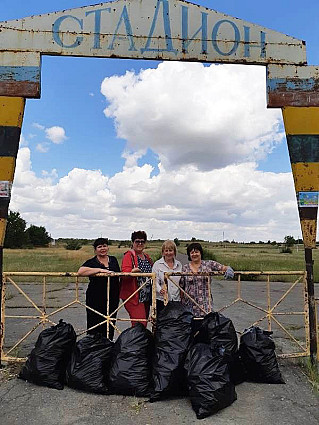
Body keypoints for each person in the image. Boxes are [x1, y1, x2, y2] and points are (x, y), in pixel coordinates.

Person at [180, 242, 234, 331]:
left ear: (201, 253)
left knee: (207, 329)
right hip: (190, 305)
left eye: (196, 252)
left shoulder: (209, 264)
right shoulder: (185, 268)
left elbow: (223, 267)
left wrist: (228, 269)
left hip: (205, 305)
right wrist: (181, 305)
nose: (194, 254)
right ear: (189, 255)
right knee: (192, 330)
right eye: (192, 252)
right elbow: (181, 286)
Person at [78, 237, 120, 340]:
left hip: (112, 296)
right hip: (95, 297)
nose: (102, 248)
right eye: (99, 247)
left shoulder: (113, 259)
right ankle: (93, 346)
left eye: (104, 246)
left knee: (110, 321)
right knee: (94, 321)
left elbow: (118, 273)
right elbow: (81, 272)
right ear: (95, 250)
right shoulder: (92, 262)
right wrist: (101, 270)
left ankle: (108, 343)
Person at [120, 231, 153, 327]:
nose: (140, 244)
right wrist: (131, 272)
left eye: (142, 242)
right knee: (139, 324)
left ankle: (141, 341)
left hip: (146, 296)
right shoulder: (129, 255)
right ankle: (136, 341)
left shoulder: (147, 257)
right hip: (134, 296)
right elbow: (124, 273)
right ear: (132, 242)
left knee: (144, 323)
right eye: (137, 241)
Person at [152, 240, 182, 314]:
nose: (168, 253)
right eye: (166, 250)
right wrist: (159, 290)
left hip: (176, 300)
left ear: (174, 252)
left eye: (171, 250)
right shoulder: (157, 264)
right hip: (162, 300)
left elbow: (182, 281)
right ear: (163, 252)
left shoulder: (179, 264)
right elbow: (154, 280)